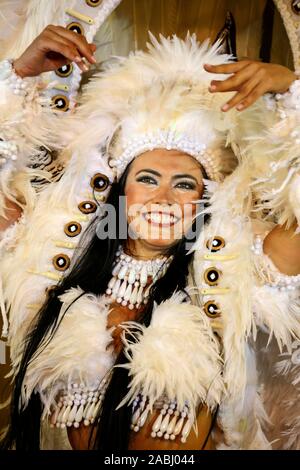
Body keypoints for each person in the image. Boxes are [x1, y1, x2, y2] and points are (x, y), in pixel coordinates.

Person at [0, 26, 300, 451]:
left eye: (184, 185)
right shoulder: (49, 253)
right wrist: (16, 77)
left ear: (205, 200)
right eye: (147, 178)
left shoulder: (241, 269)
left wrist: (293, 94)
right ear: (120, 190)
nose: (164, 198)